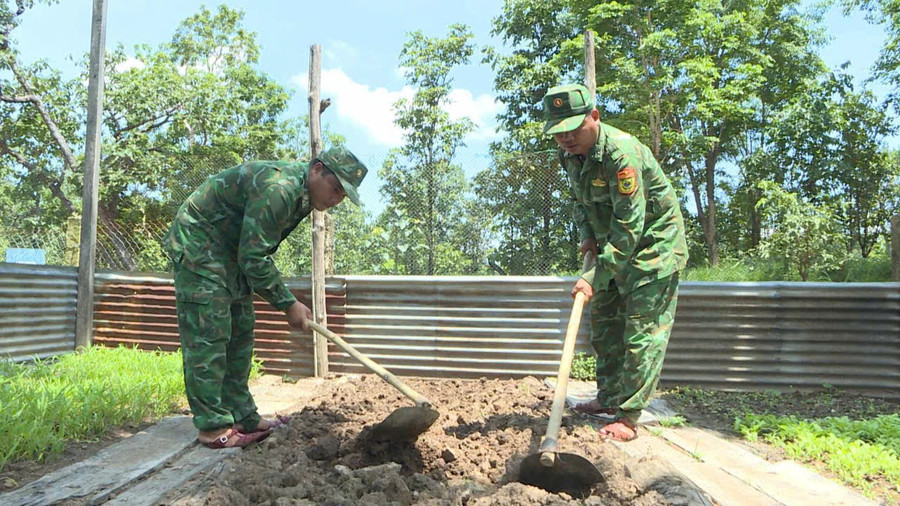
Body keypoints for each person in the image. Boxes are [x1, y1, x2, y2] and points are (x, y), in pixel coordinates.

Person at [164, 146, 368, 449]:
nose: (337, 199)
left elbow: (251, 252)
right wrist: (288, 303)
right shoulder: (280, 189)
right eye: (336, 187)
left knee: (241, 333)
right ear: (316, 170)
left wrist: (284, 300)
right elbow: (254, 257)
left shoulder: (303, 196)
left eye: (343, 194)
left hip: (230, 253)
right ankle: (213, 428)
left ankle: (243, 416)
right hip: (200, 245)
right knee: (210, 336)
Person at [542, 84, 688, 442]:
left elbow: (629, 225)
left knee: (641, 333)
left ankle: (628, 416)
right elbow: (581, 203)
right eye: (559, 133)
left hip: (654, 246)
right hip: (612, 246)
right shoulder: (570, 157)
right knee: (604, 322)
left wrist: (595, 276)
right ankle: (608, 397)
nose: (567, 139)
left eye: (574, 129)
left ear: (595, 116)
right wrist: (587, 236)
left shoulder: (622, 155)